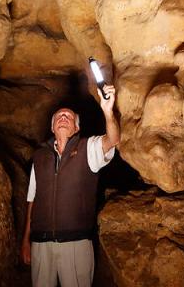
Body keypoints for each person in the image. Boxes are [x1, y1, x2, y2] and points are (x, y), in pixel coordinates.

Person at [20, 84, 119, 287]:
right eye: (59, 116)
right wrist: (26, 239)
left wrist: (108, 112)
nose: (63, 117)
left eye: (69, 116)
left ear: (76, 128)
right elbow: (32, 199)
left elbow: (113, 139)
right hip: (41, 244)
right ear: (52, 127)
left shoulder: (87, 149)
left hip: (76, 244)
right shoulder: (39, 157)